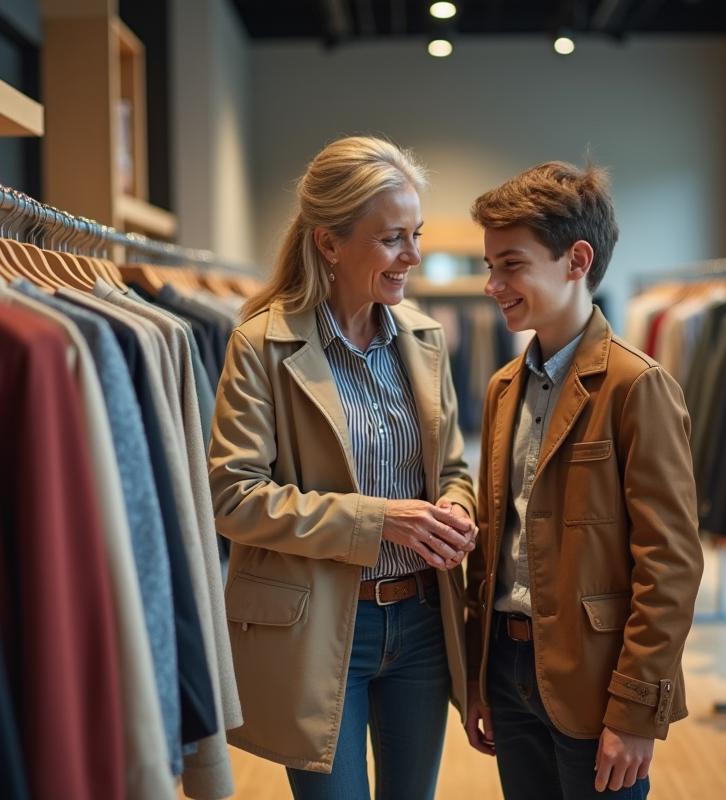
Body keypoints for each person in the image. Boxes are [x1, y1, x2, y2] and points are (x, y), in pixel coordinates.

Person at [207, 136, 478, 800]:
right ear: (329, 243)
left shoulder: (425, 338)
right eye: (392, 239)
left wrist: (456, 507)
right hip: (320, 626)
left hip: (422, 622)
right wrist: (378, 520)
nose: (413, 256)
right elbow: (233, 497)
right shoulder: (261, 345)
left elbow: (452, 466)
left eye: (415, 234)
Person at [463, 161, 704, 799]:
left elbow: (670, 564)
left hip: (598, 678)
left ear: (576, 259)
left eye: (511, 265)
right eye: (490, 266)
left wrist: (635, 709)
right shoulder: (503, 388)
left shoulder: (637, 386)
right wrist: (480, 678)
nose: (493, 284)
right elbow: (494, 542)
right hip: (509, 668)